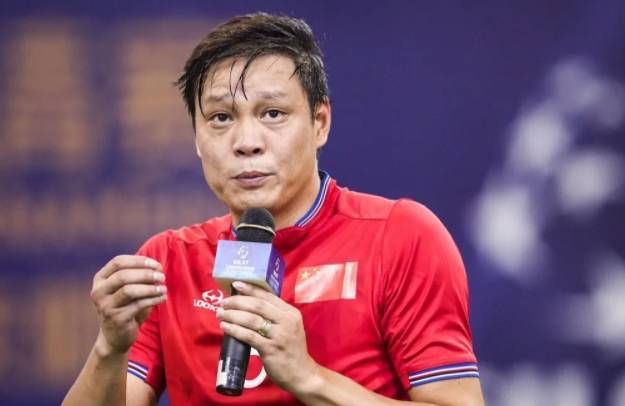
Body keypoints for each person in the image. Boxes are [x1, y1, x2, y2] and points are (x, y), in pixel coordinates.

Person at [64, 12, 484, 405]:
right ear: (196, 138)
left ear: (320, 123)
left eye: (272, 113)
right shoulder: (168, 262)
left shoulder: (401, 237)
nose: (247, 142)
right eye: (221, 118)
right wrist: (109, 348)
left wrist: (309, 377)